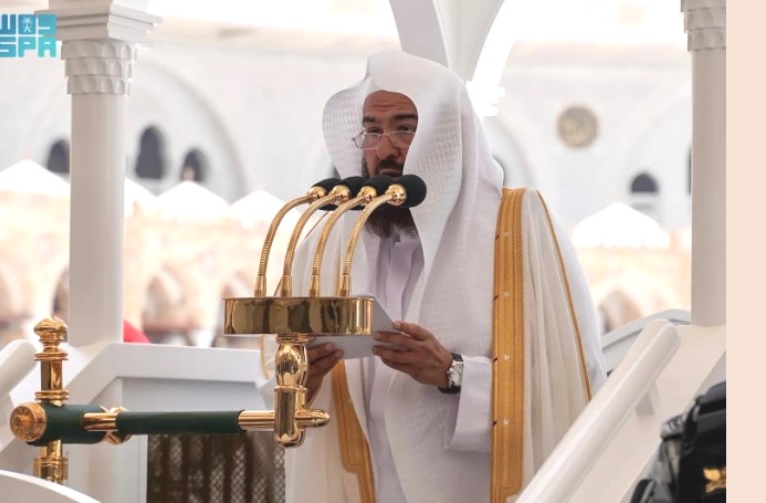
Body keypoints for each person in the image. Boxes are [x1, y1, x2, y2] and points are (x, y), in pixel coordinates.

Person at [258, 50, 606, 503]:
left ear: (445, 135)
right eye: (373, 131)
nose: (385, 150)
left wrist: (452, 372)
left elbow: (570, 385)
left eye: (405, 128)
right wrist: (302, 381)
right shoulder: (330, 242)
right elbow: (275, 383)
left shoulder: (517, 228)